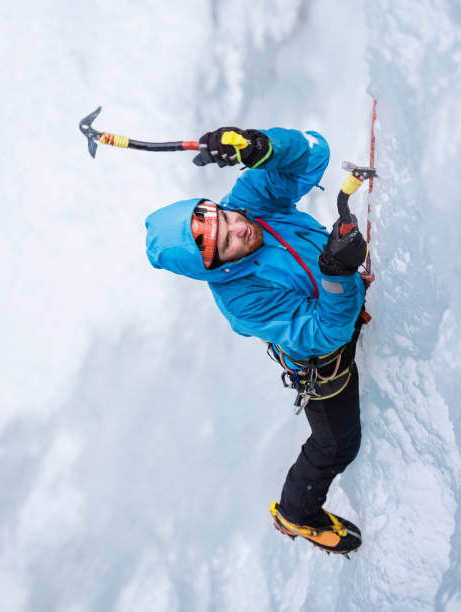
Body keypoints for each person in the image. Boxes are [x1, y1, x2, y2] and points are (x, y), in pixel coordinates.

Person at [145, 126, 369, 556]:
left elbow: (312, 154)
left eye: (226, 219)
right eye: (227, 242)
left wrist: (263, 146)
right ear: (213, 267)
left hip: (342, 298)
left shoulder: (248, 205)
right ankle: (297, 514)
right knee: (337, 446)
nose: (239, 229)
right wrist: (337, 275)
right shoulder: (242, 300)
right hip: (325, 359)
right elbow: (325, 332)